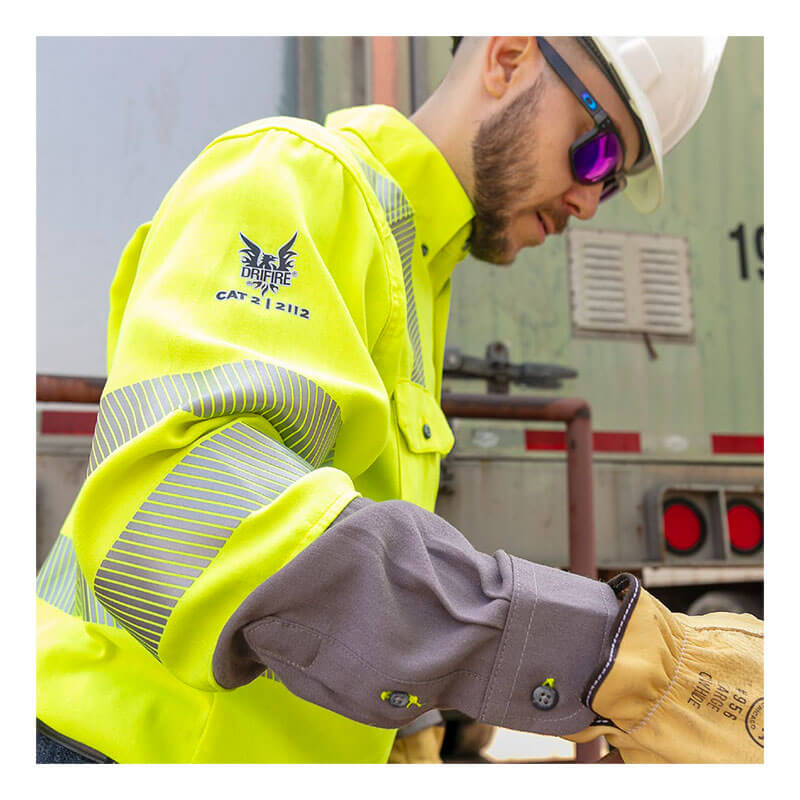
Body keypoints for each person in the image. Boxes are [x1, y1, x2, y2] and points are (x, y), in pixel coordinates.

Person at [36, 36, 763, 764]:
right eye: (596, 152)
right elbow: (184, 512)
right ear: (507, 58)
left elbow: (337, 528)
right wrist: (615, 658)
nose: (589, 201)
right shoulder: (294, 175)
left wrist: (402, 732)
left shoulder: (414, 268)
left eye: (611, 184)